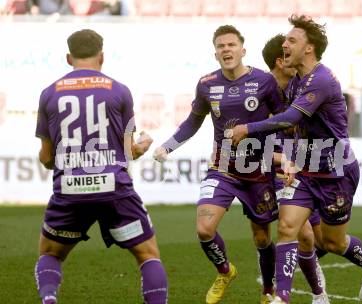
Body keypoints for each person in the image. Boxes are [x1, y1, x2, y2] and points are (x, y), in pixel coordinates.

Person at [229, 15, 362, 304]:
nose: (284, 45)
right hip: (306, 169)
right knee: (289, 228)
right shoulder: (296, 82)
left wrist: (248, 128)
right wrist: (287, 159)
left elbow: (290, 118)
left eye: (291, 40)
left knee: (332, 242)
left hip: (336, 171)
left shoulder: (322, 80)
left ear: (309, 48)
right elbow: (293, 128)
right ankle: (283, 298)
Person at [34, 29, 167, 304]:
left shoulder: (49, 94)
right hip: (114, 190)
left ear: (69, 58)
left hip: (69, 190)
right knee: (148, 255)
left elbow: (46, 158)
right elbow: (129, 150)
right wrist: (140, 148)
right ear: (102, 56)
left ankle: (48, 299)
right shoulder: (119, 91)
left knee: (50, 253)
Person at [153, 25, 283, 304]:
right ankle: (225, 271)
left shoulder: (264, 81)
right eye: (221, 46)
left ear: (242, 50)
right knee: (204, 230)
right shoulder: (207, 84)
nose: (226, 49)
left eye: (231, 45)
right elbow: (192, 122)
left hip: (259, 172)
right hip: (222, 167)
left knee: (262, 238)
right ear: (216, 53)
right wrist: (168, 146)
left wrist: (281, 156)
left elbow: (282, 120)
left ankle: (268, 290)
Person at [261, 34, 328, 303]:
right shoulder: (261, 97)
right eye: (288, 52)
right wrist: (281, 161)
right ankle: (290, 293)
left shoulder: (303, 90)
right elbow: (252, 148)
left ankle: (318, 293)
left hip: (306, 174)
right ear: (281, 61)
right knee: (301, 234)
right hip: (277, 176)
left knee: (321, 240)